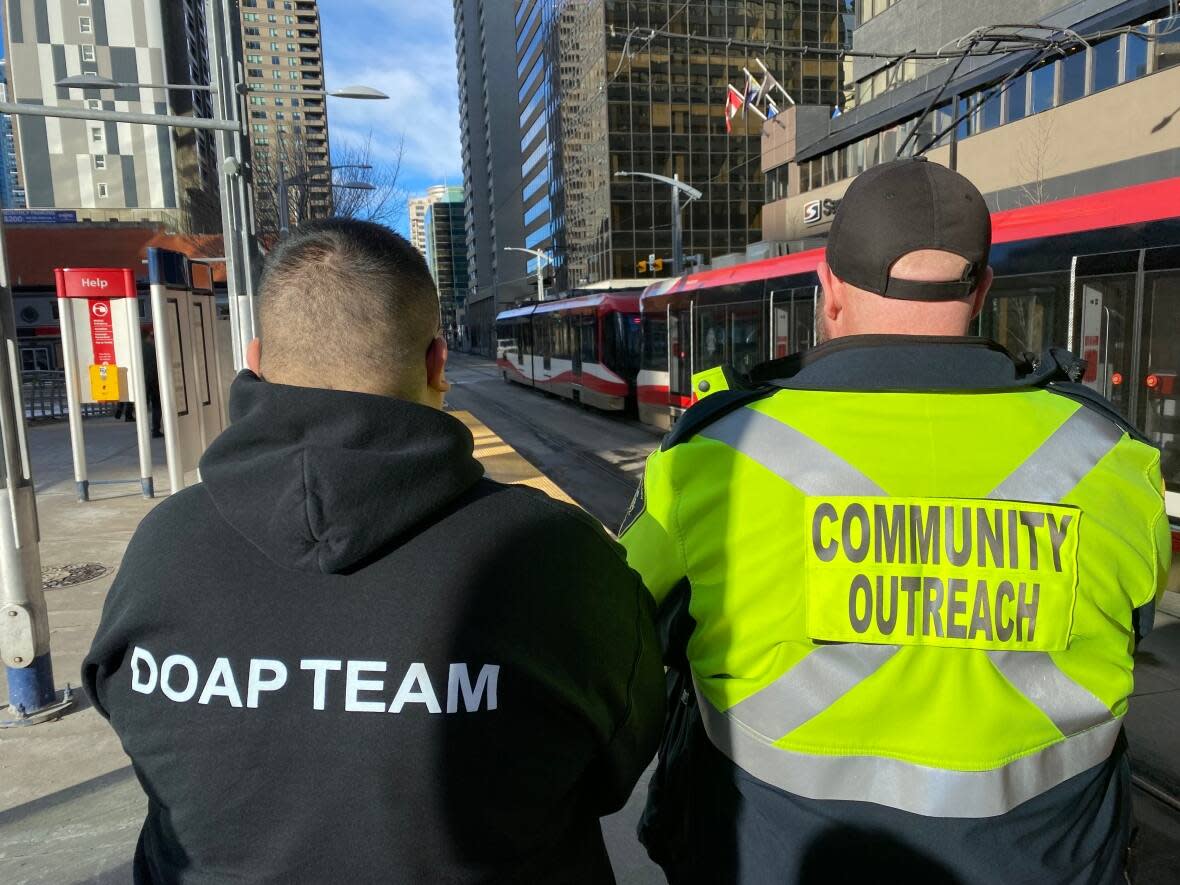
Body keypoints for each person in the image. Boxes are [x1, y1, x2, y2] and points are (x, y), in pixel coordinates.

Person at [621, 159, 1171, 883]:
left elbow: (621, 647)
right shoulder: (1112, 460)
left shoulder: (710, 458)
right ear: (982, 291)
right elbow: (1133, 631)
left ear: (829, 290)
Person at [84, 219, 664, 883]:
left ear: (255, 356)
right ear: (437, 363)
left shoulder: (162, 550)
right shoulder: (558, 556)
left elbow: (142, 738)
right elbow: (618, 764)